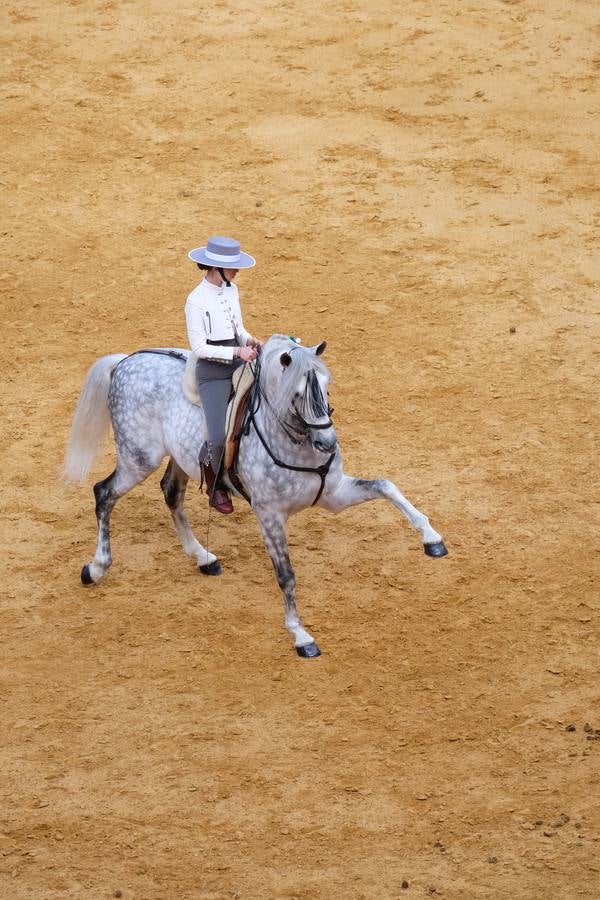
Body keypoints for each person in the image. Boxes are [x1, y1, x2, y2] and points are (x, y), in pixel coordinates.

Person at [185, 235, 261, 514]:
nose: (237, 270)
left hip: (237, 359)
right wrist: (236, 354)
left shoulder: (232, 290)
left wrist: (249, 340)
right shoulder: (195, 300)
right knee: (217, 436)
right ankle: (214, 483)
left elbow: (237, 327)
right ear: (214, 268)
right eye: (232, 266)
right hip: (213, 371)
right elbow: (198, 347)